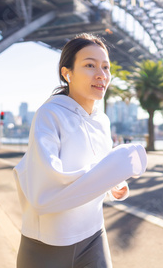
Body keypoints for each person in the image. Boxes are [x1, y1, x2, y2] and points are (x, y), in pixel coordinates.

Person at [13, 34, 147, 268]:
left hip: (94, 233)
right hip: (48, 242)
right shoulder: (50, 114)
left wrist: (114, 184)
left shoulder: (102, 121)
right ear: (67, 73)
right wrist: (114, 168)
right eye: (89, 65)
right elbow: (48, 185)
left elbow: (98, 168)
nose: (101, 75)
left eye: (106, 67)